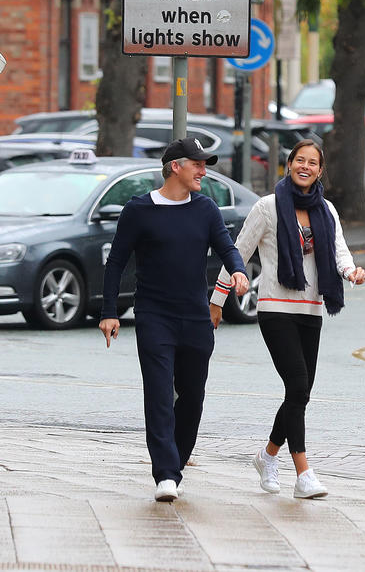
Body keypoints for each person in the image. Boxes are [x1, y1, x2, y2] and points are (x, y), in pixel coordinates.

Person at [210, 140, 365, 499]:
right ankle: (303, 473)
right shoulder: (267, 208)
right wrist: (217, 301)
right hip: (275, 308)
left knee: (300, 394)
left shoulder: (327, 211)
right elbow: (238, 252)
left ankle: (267, 455)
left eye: (313, 162)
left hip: (310, 310)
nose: (305, 167)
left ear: (320, 170)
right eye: (300, 160)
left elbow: (339, 252)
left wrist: (351, 272)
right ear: (289, 164)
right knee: (297, 386)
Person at [100, 137, 250, 502]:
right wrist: (108, 312)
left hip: (196, 316)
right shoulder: (139, 210)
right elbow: (116, 261)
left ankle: (176, 463)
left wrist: (238, 271)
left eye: (205, 164)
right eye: (197, 164)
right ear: (176, 167)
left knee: (193, 397)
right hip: (154, 316)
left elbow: (226, 246)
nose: (204, 171)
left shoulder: (206, 208)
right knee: (159, 394)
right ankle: (165, 473)